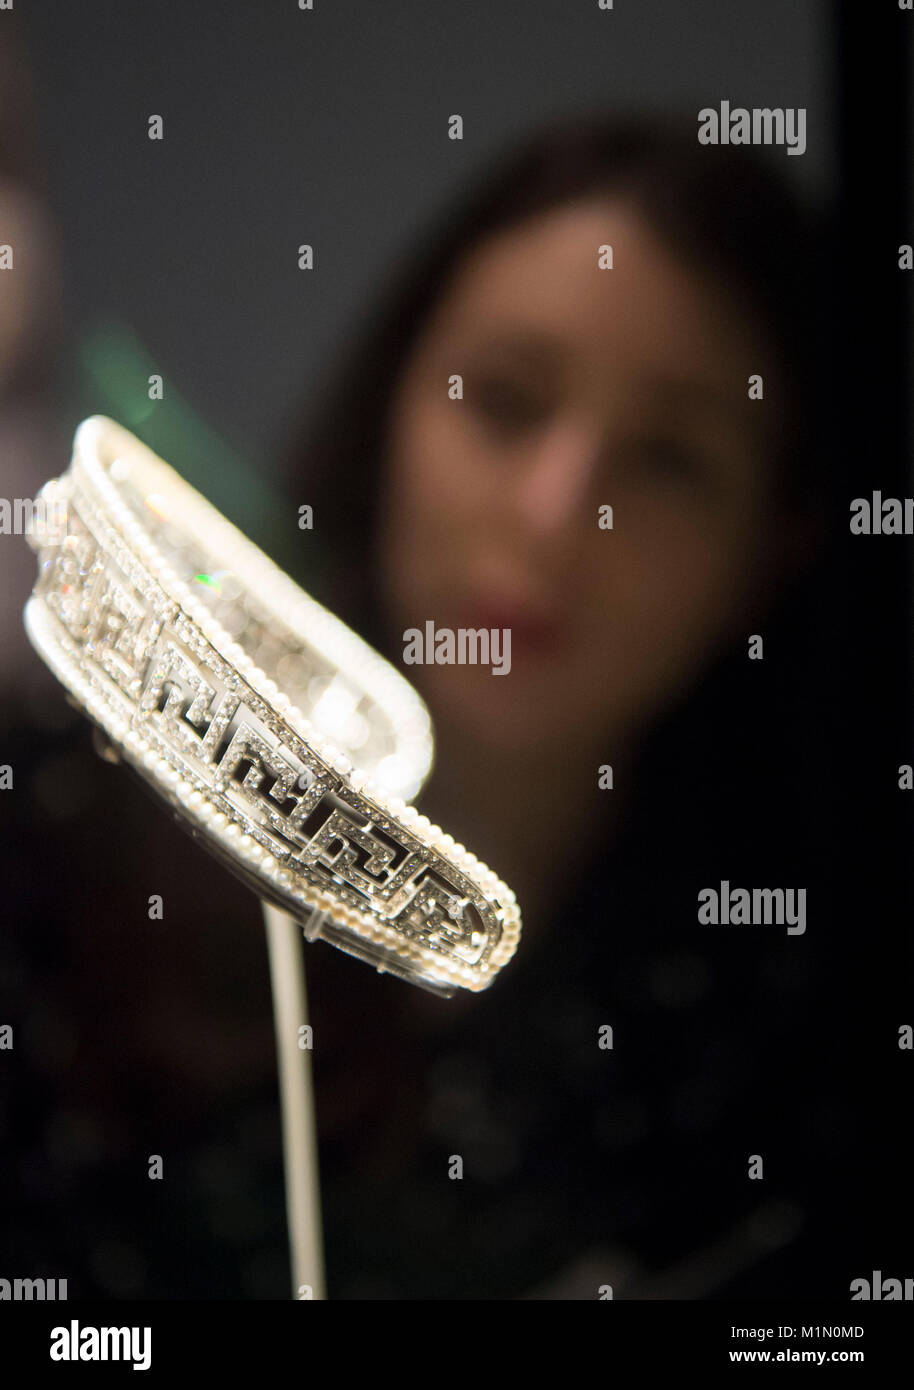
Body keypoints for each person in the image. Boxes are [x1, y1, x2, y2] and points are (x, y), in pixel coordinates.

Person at [281, 112, 864, 1299]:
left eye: (666, 461)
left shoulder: (806, 1050)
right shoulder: (62, 850)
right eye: (501, 399)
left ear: (774, 548)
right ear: (389, 403)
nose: (555, 514)